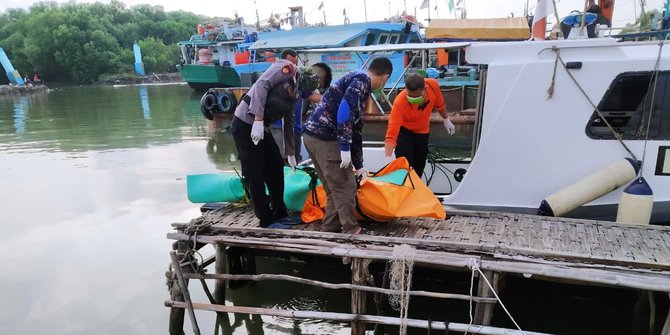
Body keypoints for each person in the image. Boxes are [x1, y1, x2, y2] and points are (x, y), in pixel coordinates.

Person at [303, 57, 393, 234]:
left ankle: (330, 227)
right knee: (346, 186)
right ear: (385, 77)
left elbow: (356, 130)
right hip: (326, 139)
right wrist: (344, 148)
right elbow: (344, 111)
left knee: (332, 188)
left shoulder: (358, 80)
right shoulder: (361, 81)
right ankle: (351, 230)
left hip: (312, 137)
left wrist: (359, 164)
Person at [230, 48, 300, 228]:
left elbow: (288, 120)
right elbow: (261, 85)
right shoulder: (287, 68)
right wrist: (258, 120)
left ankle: (279, 212)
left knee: (276, 165)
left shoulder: (296, 87)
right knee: (256, 172)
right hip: (246, 123)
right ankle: (265, 219)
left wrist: (290, 152)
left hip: (262, 129)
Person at [384, 73, 455, 178]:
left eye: (416, 96)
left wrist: (446, 119)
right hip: (404, 130)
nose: (413, 99)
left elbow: (440, 104)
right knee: (405, 163)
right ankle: (405, 187)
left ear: (424, 89)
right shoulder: (400, 101)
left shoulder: (432, 86)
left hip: (422, 131)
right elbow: (392, 129)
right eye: (410, 96)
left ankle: (417, 190)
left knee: (420, 163)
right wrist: (387, 155)